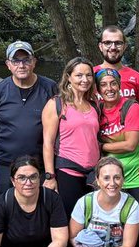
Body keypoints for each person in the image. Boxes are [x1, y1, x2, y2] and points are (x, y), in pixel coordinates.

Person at [0, 41, 57, 193]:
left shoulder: (49, 87)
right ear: (8, 64)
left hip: (40, 164)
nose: (21, 65)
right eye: (16, 60)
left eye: (26, 60)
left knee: (42, 209)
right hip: (7, 163)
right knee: (6, 207)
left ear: (34, 62)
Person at [41, 58, 101, 219]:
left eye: (89, 75)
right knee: (70, 219)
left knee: (91, 219)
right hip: (68, 170)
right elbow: (47, 143)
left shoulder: (94, 103)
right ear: (68, 77)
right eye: (79, 75)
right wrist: (50, 176)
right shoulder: (56, 104)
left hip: (93, 173)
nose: (85, 80)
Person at [98, 67, 139, 217]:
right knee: (113, 219)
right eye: (103, 85)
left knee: (138, 219)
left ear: (119, 86)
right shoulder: (96, 110)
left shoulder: (131, 107)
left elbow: (130, 145)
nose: (109, 89)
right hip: (111, 175)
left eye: (113, 83)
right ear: (98, 89)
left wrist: (102, 146)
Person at [95, 25, 139, 106]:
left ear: (125, 46)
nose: (113, 47)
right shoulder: (89, 76)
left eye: (118, 43)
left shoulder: (136, 77)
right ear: (100, 46)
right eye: (107, 43)